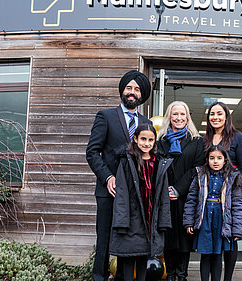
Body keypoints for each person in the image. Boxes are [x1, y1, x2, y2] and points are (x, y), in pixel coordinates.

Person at [86, 70, 152, 281]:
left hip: (134, 194)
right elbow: (92, 152)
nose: (132, 92)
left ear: (142, 95)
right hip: (109, 191)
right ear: (122, 90)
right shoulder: (105, 116)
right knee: (104, 238)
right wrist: (107, 177)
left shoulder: (145, 123)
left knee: (127, 239)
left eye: (137, 89)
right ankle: (99, 277)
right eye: (129, 88)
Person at [110, 124, 172, 281]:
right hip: (132, 218)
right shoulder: (126, 161)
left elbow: (164, 196)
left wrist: (163, 221)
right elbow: (121, 193)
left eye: (151, 140)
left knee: (144, 257)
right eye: (143, 139)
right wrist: (122, 221)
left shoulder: (159, 163)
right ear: (135, 139)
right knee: (129, 258)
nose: (147, 143)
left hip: (151, 219)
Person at [157, 101, 205, 281]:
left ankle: (182, 274)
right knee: (168, 236)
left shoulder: (196, 141)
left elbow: (197, 168)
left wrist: (178, 189)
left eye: (182, 114)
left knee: (185, 237)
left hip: (186, 197)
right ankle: (169, 274)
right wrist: (167, 189)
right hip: (164, 196)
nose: (178, 118)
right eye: (175, 114)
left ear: (187, 117)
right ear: (169, 116)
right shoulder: (160, 142)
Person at [183, 145, 242, 281]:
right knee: (205, 255)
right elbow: (191, 200)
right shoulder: (200, 175)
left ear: (225, 160)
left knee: (217, 254)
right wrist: (188, 222)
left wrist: (237, 230)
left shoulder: (233, 178)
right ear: (207, 159)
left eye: (219, 158)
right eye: (212, 158)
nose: (215, 161)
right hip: (204, 218)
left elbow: (237, 206)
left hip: (221, 220)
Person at [203, 101, 242, 280]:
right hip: (211, 195)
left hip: (232, 193)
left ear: (226, 116)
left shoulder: (238, 138)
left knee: (231, 238)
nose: (215, 117)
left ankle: (227, 278)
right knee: (214, 237)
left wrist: (241, 189)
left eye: (219, 114)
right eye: (212, 114)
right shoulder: (206, 138)